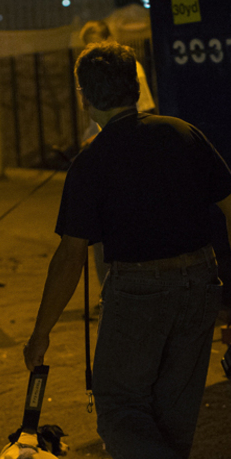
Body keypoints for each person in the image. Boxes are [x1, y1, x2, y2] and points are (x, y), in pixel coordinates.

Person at [23, 41, 231, 459]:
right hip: (202, 284)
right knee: (173, 416)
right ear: (135, 85)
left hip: (137, 293)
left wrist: (41, 332)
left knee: (119, 412)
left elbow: (70, 256)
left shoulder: (92, 162)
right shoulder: (182, 134)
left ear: (86, 98)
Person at [77, 20, 156, 290]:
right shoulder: (92, 71)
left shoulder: (130, 70)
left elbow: (140, 113)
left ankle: (121, 288)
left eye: (94, 42)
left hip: (118, 155)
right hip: (99, 149)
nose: (90, 49)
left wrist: (101, 138)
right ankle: (109, 290)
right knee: (100, 230)